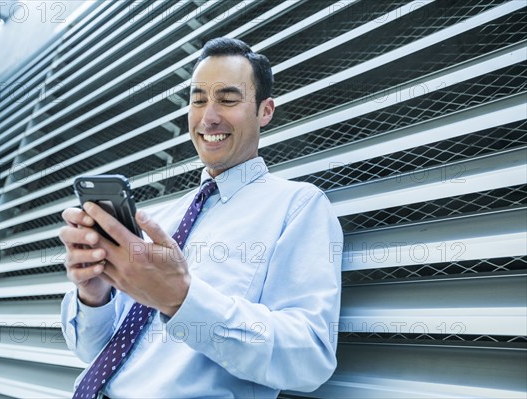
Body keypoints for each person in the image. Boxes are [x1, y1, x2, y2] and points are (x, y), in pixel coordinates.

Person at [59, 37, 343, 398]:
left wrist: (183, 300)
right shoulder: (157, 220)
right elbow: (90, 351)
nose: (208, 117)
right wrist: (93, 294)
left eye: (227, 99)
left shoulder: (298, 206)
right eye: (198, 100)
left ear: (265, 110)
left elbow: (310, 359)